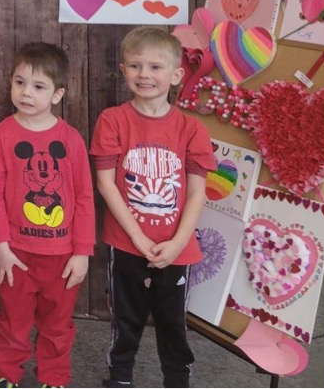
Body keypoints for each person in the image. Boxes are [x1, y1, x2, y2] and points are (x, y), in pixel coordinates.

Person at [91, 27, 214, 389]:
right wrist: (138, 237)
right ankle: (119, 378)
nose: (144, 74)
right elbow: (106, 183)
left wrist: (177, 243)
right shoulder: (112, 120)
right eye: (135, 65)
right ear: (123, 70)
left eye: (155, 67)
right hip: (128, 243)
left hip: (176, 248)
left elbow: (197, 193)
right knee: (125, 319)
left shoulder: (192, 129)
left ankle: (177, 381)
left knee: (173, 323)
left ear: (176, 75)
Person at [0, 43, 94, 389]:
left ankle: (53, 378)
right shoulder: (1, 135)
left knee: (57, 325)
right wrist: (2, 246)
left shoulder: (71, 140)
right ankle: (6, 375)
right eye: (19, 83)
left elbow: (84, 197)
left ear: (57, 94)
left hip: (62, 256)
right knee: (12, 321)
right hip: (16, 254)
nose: (26, 93)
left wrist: (82, 252)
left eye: (38, 86)